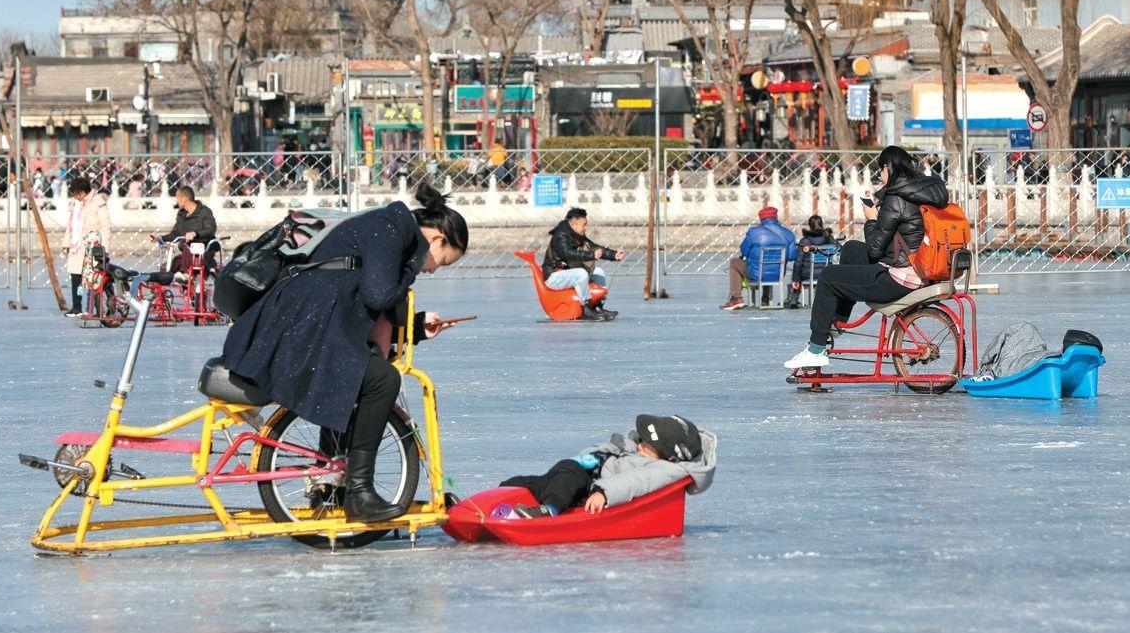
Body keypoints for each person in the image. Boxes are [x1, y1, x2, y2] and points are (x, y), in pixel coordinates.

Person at [221, 184, 468, 522]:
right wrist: (410, 267)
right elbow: (379, 295)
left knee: (359, 378)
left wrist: (415, 326)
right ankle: (358, 492)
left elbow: (367, 300)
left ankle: (333, 486)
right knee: (381, 381)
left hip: (311, 325)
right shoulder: (392, 227)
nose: (432, 270)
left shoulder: (390, 228)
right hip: (297, 329)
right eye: (441, 261)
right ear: (437, 239)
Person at [784, 146, 949, 370]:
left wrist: (871, 219)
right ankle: (838, 322)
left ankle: (816, 348)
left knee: (829, 277)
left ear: (887, 169)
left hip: (900, 278)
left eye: (880, 171)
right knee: (851, 249)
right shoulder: (925, 192)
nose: (880, 176)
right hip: (921, 267)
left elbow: (874, 249)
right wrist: (882, 207)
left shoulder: (897, 199)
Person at [494, 414, 717, 519]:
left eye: (648, 445)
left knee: (568, 473)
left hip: (590, 488)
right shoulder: (635, 448)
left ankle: (548, 511)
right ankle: (482, 506)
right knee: (520, 484)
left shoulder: (668, 470)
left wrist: (603, 492)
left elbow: (634, 482)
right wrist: (598, 455)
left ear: (668, 457)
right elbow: (604, 451)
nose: (641, 445)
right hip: (578, 479)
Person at [542, 207, 624, 319]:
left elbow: (593, 247)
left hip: (568, 274)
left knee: (599, 272)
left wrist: (613, 255)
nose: (586, 228)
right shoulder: (560, 236)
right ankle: (585, 308)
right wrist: (590, 255)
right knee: (581, 273)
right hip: (554, 277)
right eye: (584, 225)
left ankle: (597, 306)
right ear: (574, 224)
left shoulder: (577, 235)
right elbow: (568, 253)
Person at [721, 206, 798, 310]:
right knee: (770, 265)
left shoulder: (754, 232)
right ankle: (765, 298)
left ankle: (736, 298)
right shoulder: (788, 234)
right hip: (778, 274)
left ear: (761, 218)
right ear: (775, 217)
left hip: (756, 274)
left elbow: (744, 251)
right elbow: (792, 256)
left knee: (734, 263)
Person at [61, 176, 111, 317]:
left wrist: (104, 248)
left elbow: (106, 225)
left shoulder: (98, 202)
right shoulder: (77, 205)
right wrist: (67, 243)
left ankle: (97, 308)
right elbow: (70, 226)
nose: (75, 197)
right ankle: (77, 306)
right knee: (76, 276)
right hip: (78, 246)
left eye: (76, 194)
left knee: (94, 278)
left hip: (93, 247)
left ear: (82, 192)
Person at [151, 185, 219, 272]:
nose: (177, 201)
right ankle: (168, 279)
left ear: (184, 199)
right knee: (174, 264)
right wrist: (160, 238)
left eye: (177, 198)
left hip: (205, 250)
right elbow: (176, 234)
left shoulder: (204, 211)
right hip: (188, 252)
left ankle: (185, 274)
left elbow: (211, 229)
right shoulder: (181, 214)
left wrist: (195, 234)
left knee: (190, 245)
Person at [784, 215, 838, 309]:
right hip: (827, 272)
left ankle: (794, 298)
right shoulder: (830, 239)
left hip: (808, 273)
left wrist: (795, 279)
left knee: (797, 273)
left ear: (810, 225)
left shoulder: (805, 241)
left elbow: (798, 262)